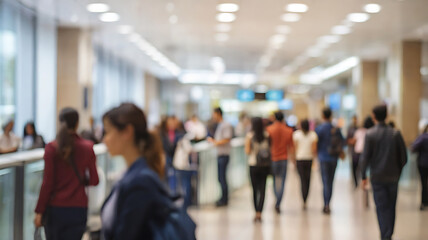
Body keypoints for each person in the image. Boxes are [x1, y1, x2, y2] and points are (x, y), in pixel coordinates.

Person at [101, 103, 195, 239]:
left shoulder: (140, 182)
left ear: (127, 131)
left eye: (108, 132)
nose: (105, 140)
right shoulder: (132, 175)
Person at [34, 108, 99, 240]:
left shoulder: (52, 148)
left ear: (60, 122)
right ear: (77, 123)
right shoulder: (88, 147)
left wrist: (39, 211)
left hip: (55, 209)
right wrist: (80, 180)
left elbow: (48, 183)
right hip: (79, 208)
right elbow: (94, 180)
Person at [361, 105, 407, 240]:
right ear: (386, 116)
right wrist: (398, 171)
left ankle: (384, 235)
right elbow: (404, 157)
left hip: (377, 177)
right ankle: (388, 234)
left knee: (381, 207)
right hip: (393, 177)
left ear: (374, 116)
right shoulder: (395, 133)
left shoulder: (370, 134)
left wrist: (364, 176)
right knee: (391, 206)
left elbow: (365, 158)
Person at [315, 107, 344, 214]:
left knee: (325, 181)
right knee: (330, 181)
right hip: (333, 158)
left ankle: (326, 203)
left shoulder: (319, 129)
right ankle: (328, 203)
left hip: (323, 158)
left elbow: (315, 143)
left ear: (323, 115)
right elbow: (343, 141)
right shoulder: (335, 129)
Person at [266, 111, 294, 213]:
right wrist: (293, 161)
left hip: (273, 158)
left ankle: (276, 199)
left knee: (274, 180)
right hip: (284, 158)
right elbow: (291, 147)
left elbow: (267, 145)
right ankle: (278, 202)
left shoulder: (269, 130)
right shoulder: (288, 130)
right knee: (282, 181)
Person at [245, 117, 271, 222]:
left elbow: (247, 151)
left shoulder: (250, 136)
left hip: (253, 165)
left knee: (255, 190)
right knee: (263, 189)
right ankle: (260, 212)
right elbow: (270, 149)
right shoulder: (267, 135)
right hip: (264, 165)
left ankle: (256, 212)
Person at [207, 107, 233, 207]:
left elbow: (227, 139)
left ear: (218, 114)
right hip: (220, 155)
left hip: (224, 155)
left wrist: (215, 142)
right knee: (220, 177)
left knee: (222, 178)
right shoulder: (220, 125)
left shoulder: (225, 125)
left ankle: (224, 199)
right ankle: (223, 198)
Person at [293, 119, 318, 210]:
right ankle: (305, 197)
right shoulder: (313, 135)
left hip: (300, 159)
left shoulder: (296, 135)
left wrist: (294, 160)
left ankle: (304, 198)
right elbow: (314, 150)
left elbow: (295, 148)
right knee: (307, 180)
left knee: (302, 179)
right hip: (309, 159)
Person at [159, 115, 184, 194]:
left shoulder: (179, 133)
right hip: (166, 157)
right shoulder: (162, 133)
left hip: (176, 157)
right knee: (166, 177)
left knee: (177, 177)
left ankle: (177, 194)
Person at [350, 116, 374, 188]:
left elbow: (354, 141)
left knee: (355, 168)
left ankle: (357, 182)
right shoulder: (371, 132)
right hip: (367, 153)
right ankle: (365, 181)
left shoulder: (359, 131)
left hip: (358, 153)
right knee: (365, 168)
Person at [412, 124, 428, 210]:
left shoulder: (423, 137)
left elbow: (414, 147)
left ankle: (424, 202)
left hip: (423, 164)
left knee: (424, 184)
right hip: (424, 163)